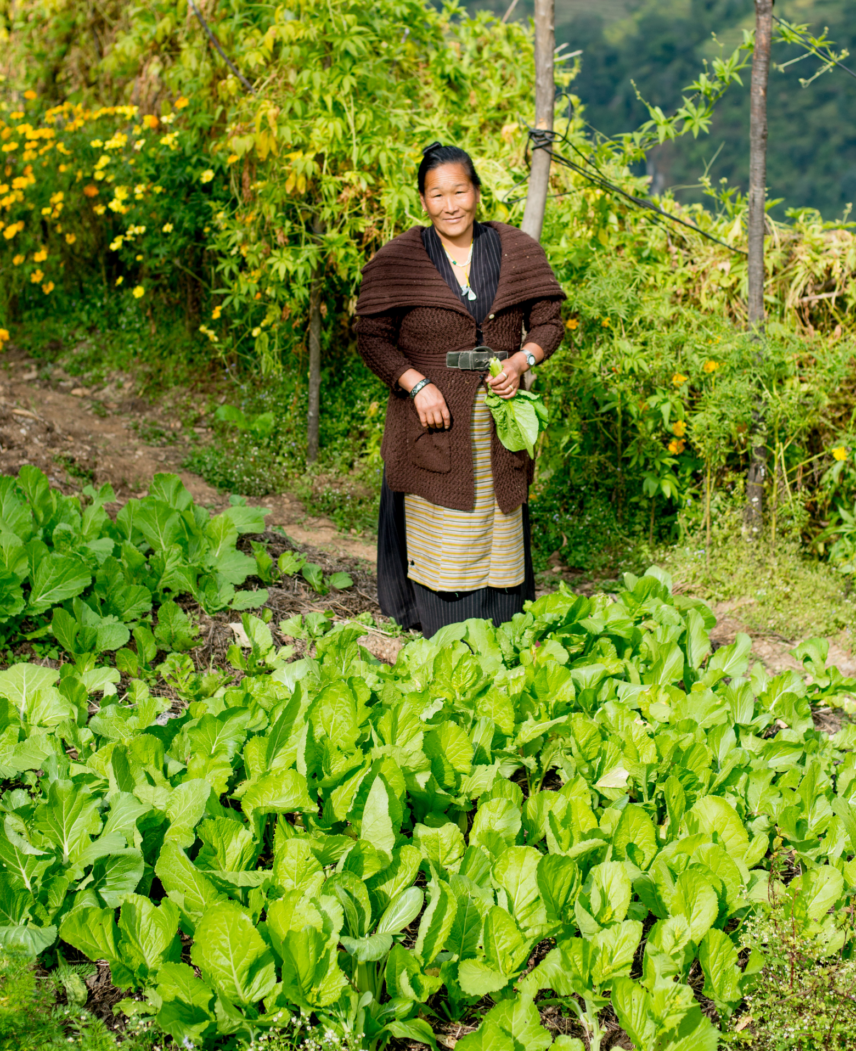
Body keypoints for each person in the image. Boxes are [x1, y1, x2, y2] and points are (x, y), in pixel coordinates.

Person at [356, 142, 565, 637]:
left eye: (460, 191)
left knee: (498, 519)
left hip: (498, 416)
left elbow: (550, 322)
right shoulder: (402, 258)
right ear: (423, 201)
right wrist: (417, 385)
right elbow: (371, 338)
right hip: (434, 417)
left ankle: (503, 632)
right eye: (437, 195)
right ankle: (446, 634)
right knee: (448, 525)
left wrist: (521, 359)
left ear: (476, 192)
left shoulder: (515, 249)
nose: (451, 205)